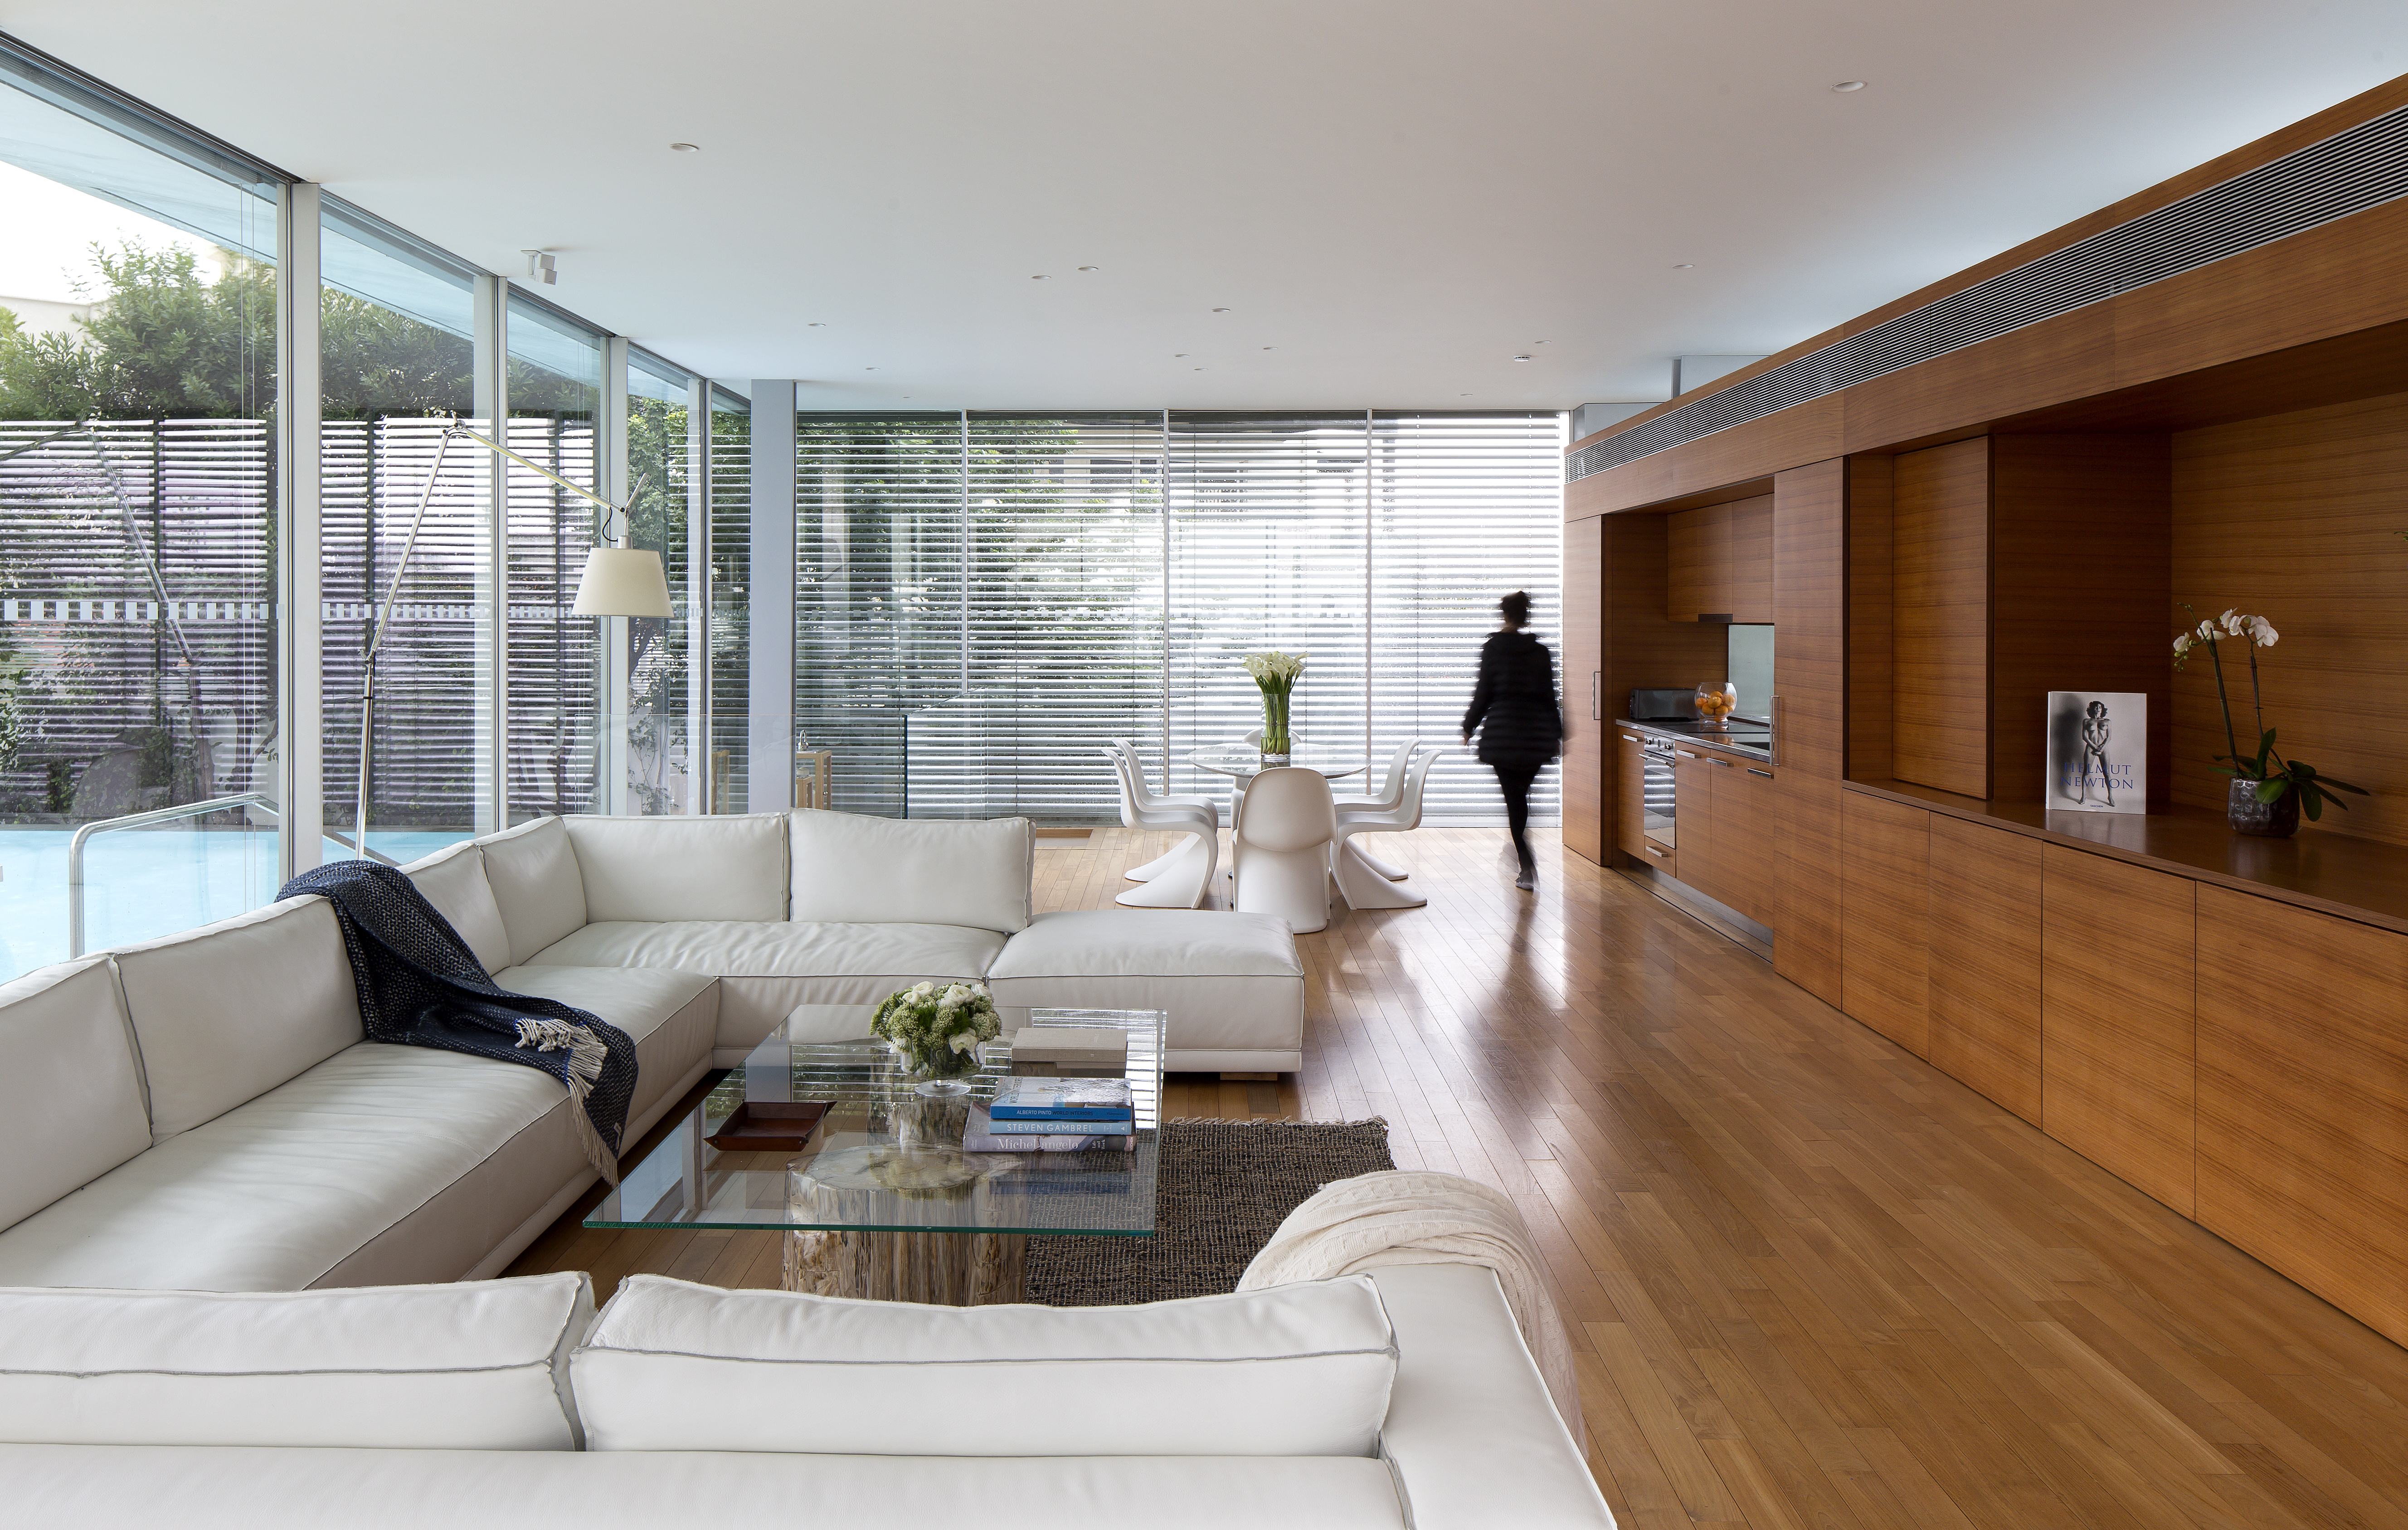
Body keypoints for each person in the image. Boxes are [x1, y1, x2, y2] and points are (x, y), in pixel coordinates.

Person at [1461, 590, 1564, 892]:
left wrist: (1468, 727)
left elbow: (1484, 693)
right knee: (1520, 798)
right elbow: (1549, 698)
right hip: (1535, 737)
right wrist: (1557, 734)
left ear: (1504, 615)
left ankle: (1525, 861)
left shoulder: (1493, 649)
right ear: (1525, 615)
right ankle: (1520, 850)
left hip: (1503, 737)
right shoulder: (1541, 652)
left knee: (1514, 800)